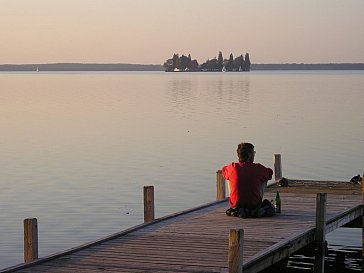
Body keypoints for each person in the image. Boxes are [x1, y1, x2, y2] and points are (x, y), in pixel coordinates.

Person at [222, 142, 274, 218]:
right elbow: (270, 173)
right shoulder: (258, 168)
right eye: (254, 153)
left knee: (229, 176)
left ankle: (237, 201)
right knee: (264, 177)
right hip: (254, 204)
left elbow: (223, 170)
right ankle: (253, 201)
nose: (254, 155)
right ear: (250, 155)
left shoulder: (232, 167)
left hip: (235, 205)